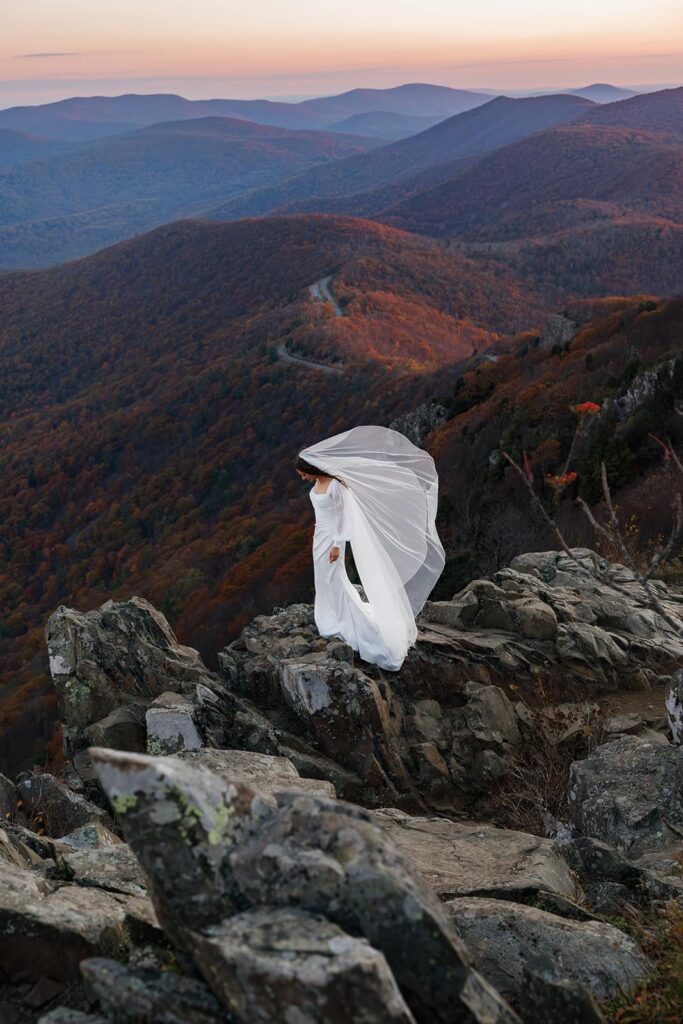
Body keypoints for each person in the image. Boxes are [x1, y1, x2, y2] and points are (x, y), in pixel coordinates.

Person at [296, 424, 444, 671]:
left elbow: (344, 516)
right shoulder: (318, 485)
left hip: (332, 538)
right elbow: (325, 511)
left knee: (335, 577)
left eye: (303, 473)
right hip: (319, 536)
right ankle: (330, 615)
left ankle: (349, 621)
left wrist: (337, 544)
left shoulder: (335, 485)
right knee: (323, 578)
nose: (302, 478)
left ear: (311, 468)